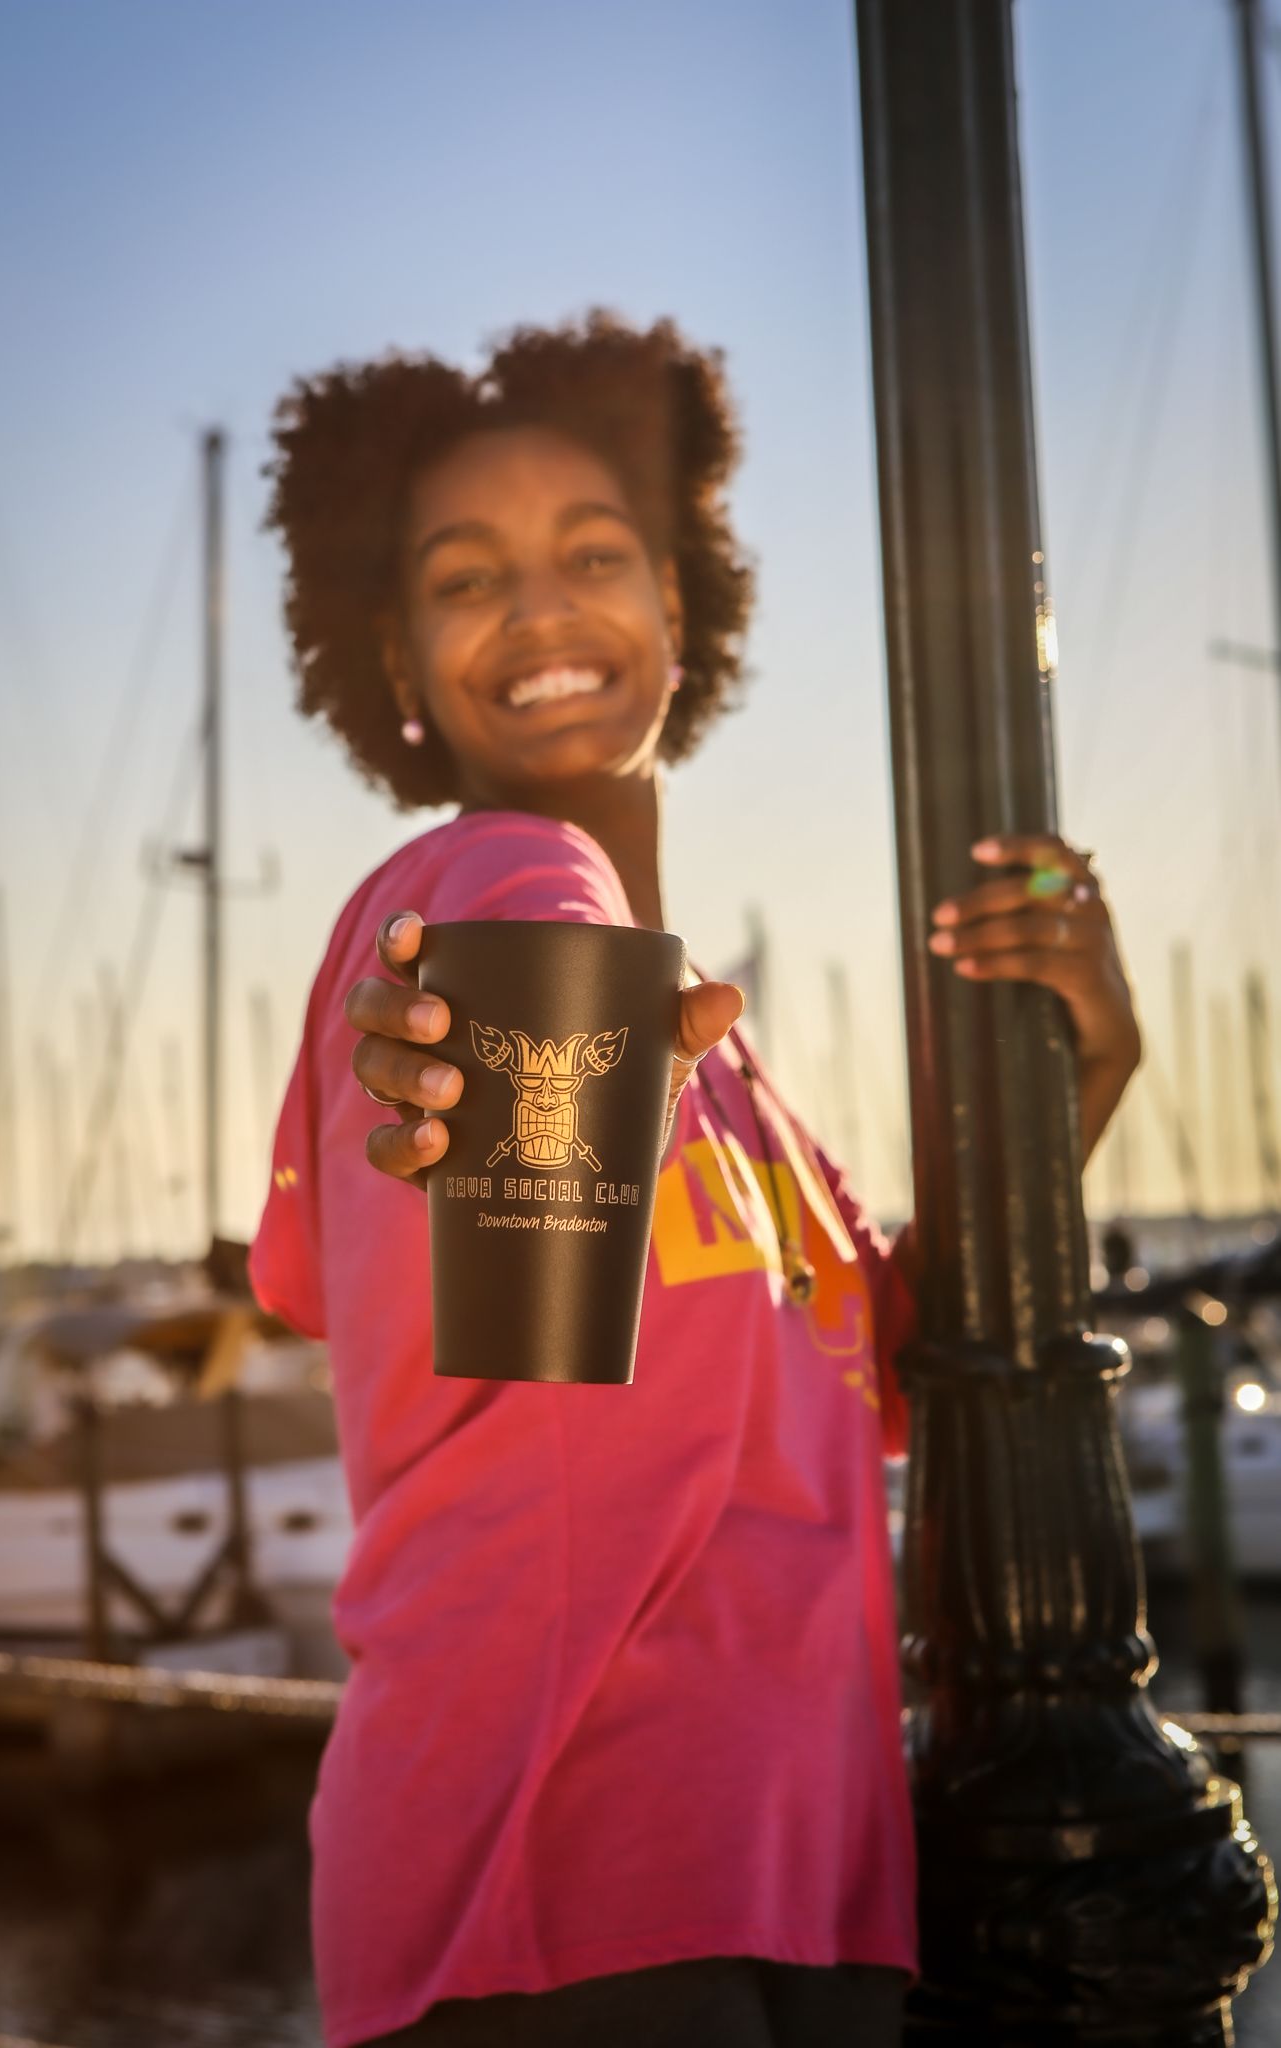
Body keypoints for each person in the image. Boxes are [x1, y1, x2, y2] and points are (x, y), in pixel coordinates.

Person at [249, 309, 1142, 2048]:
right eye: (462, 578)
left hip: (806, 1883)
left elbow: (901, 1354)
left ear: (680, 599)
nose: (535, 607)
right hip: (550, 1886)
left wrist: (1077, 1069)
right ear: (395, 661)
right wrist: (461, 1067)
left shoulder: (719, 1057)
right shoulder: (492, 881)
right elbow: (500, 1043)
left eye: (593, 553)